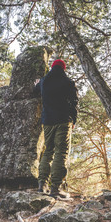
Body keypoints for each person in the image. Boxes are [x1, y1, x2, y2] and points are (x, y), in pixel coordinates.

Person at [33, 59, 78, 198]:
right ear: (63, 68)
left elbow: (35, 91)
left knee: (48, 151)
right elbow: (74, 103)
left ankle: (42, 185)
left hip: (47, 121)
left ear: (52, 67)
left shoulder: (44, 81)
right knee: (61, 152)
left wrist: (37, 84)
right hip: (63, 121)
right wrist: (74, 120)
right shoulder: (69, 83)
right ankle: (56, 188)